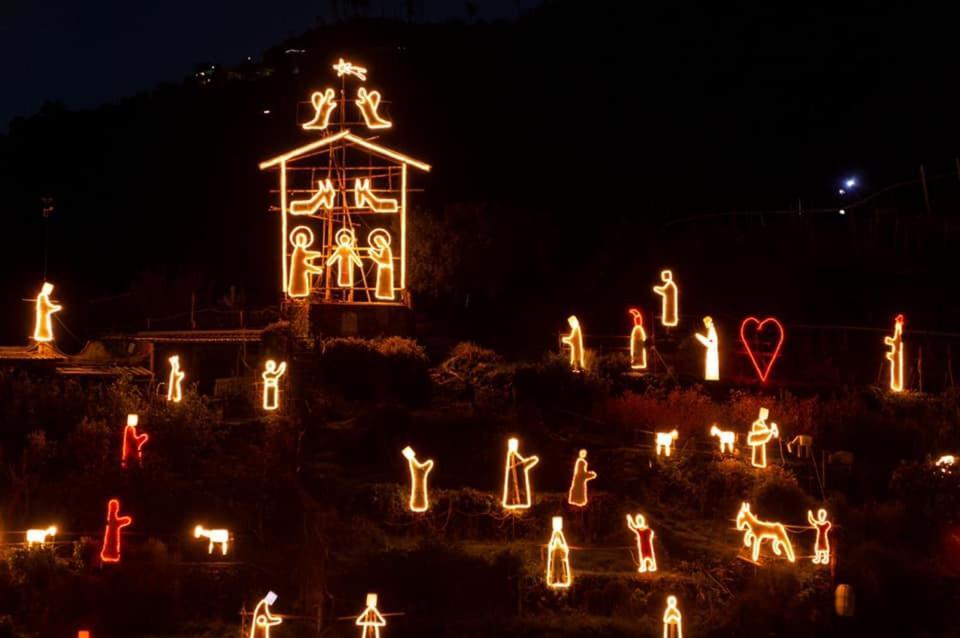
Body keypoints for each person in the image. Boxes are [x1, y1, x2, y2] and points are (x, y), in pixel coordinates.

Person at [502, 438, 539, 510]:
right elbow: (520, 464)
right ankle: (514, 501)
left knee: (518, 488)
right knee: (513, 488)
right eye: (512, 444)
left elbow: (524, 463)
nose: (514, 446)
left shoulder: (516, 456)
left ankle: (518, 501)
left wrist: (526, 461)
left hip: (519, 479)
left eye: (515, 444)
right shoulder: (510, 456)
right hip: (514, 481)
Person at [287, 226, 324, 298]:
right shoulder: (298, 250)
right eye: (300, 240)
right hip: (300, 269)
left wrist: (314, 268)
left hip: (301, 269)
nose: (302, 241)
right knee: (299, 283)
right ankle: (297, 295)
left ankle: (299, 295)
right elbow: (305, 256)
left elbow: (305, 256)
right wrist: (317, 254)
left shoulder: (300, 249)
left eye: (302, 240)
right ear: (297, 240)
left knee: (302, 284)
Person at [401, 446, 434, 512]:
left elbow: (414, 462)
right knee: (419, 493)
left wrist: (411, 458)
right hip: (419, 501)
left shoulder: (418, 470)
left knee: (418, 492)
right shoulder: (418, 469)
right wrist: (411, 458)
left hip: (418, 501)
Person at [100, 499, 132, 563]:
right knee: (110, 543)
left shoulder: (112, 516)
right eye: (114, 507)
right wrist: (125, 520)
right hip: (111, 533)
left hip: (113, 533)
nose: (115, 508)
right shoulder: (111, 516)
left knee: (113, 543)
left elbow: (116, 522)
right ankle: (110, 554)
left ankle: (112, 554)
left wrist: (125, 520)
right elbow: (115, 522)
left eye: (115, 507)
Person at [546, 517, 572, 588]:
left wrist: (563, 547)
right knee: (554, 564)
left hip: (559, 552)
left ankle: (560, 578)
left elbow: (563, 542)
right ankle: (555, 579)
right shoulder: (556, 534)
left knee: (561, 564)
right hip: (556, 552)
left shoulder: (559, 534)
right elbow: (551, 542)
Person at [368, 229, 395, 300]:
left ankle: (386, 295)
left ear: (381, 241)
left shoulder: (386, 249)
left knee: (385, 284)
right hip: (383, 269)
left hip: (386, 269)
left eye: (377, 242)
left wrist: (374, 255)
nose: (377, 244)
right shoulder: (384, 249)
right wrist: (374, 255)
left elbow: (384, 261)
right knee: (382, 284)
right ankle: (383, 294)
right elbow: (381, 259)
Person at [694, 316, 719, 381]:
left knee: (711, 373)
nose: (705, 325)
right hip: (711, 354)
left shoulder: (712, 331)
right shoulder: (711, 330)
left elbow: (710, 343)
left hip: (712, 355)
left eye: (705, 323)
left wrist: (699, 336)